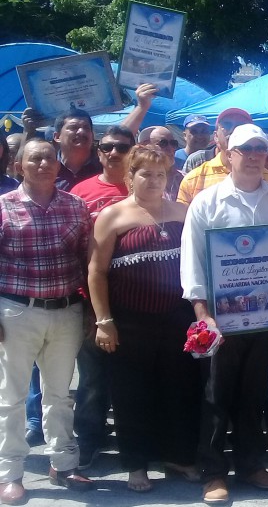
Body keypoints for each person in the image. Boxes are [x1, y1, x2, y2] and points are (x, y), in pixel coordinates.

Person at [180, 124, 268, 504]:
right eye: (245, 149)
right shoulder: (207, 201)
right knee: (216, 394)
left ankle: (252, 465)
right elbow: (193, 261)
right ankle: (213, 473)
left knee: (253, 393)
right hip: (221, 317)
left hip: (265, 314)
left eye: (260, 148)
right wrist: (203, 313)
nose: (254, 155)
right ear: (229, 153)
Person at [87, 146, 201, 492]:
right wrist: (104, 320)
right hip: (130, 321)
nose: (153, 180)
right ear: (131, 176)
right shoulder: (113, 216)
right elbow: (96, 271)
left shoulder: (184, 212)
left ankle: (178, 456)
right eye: (145, 174)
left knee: (180, 389)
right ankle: (136, 464)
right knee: (131, 393)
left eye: (160, 174)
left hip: (177, 319)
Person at [0, 138, 94, 504]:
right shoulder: (4, 207)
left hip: (66, 311)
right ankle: (11, 473)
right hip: (16, 312)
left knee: (59, 395)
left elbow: (87, 264)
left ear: (58, 165)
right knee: (12, 396)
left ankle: (63, 463)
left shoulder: (76, 207)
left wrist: (89, 312)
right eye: (34, 158)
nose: (43, 164)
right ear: (19, 165)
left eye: (49, 159)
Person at [68, 124, 137, 468]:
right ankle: (89, 440)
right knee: (93, 377)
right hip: (92, 298)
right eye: (107, 147)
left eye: (123, 148)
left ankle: (140, 444)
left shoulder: (148, 187)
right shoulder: (81, 192)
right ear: (98, 152)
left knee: (136, 376)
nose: (114, 153)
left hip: (139, 300)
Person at [177, 109, 268, 205]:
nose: (233, 129)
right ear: (216, 136)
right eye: (227, 125)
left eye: (240, 125)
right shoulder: (193, 180)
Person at [139, 126, 184, 200]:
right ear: (145, 146)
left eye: (173, 143)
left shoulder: (185, 178)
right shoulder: (139, 180)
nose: (170, 148)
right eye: (163, 143)